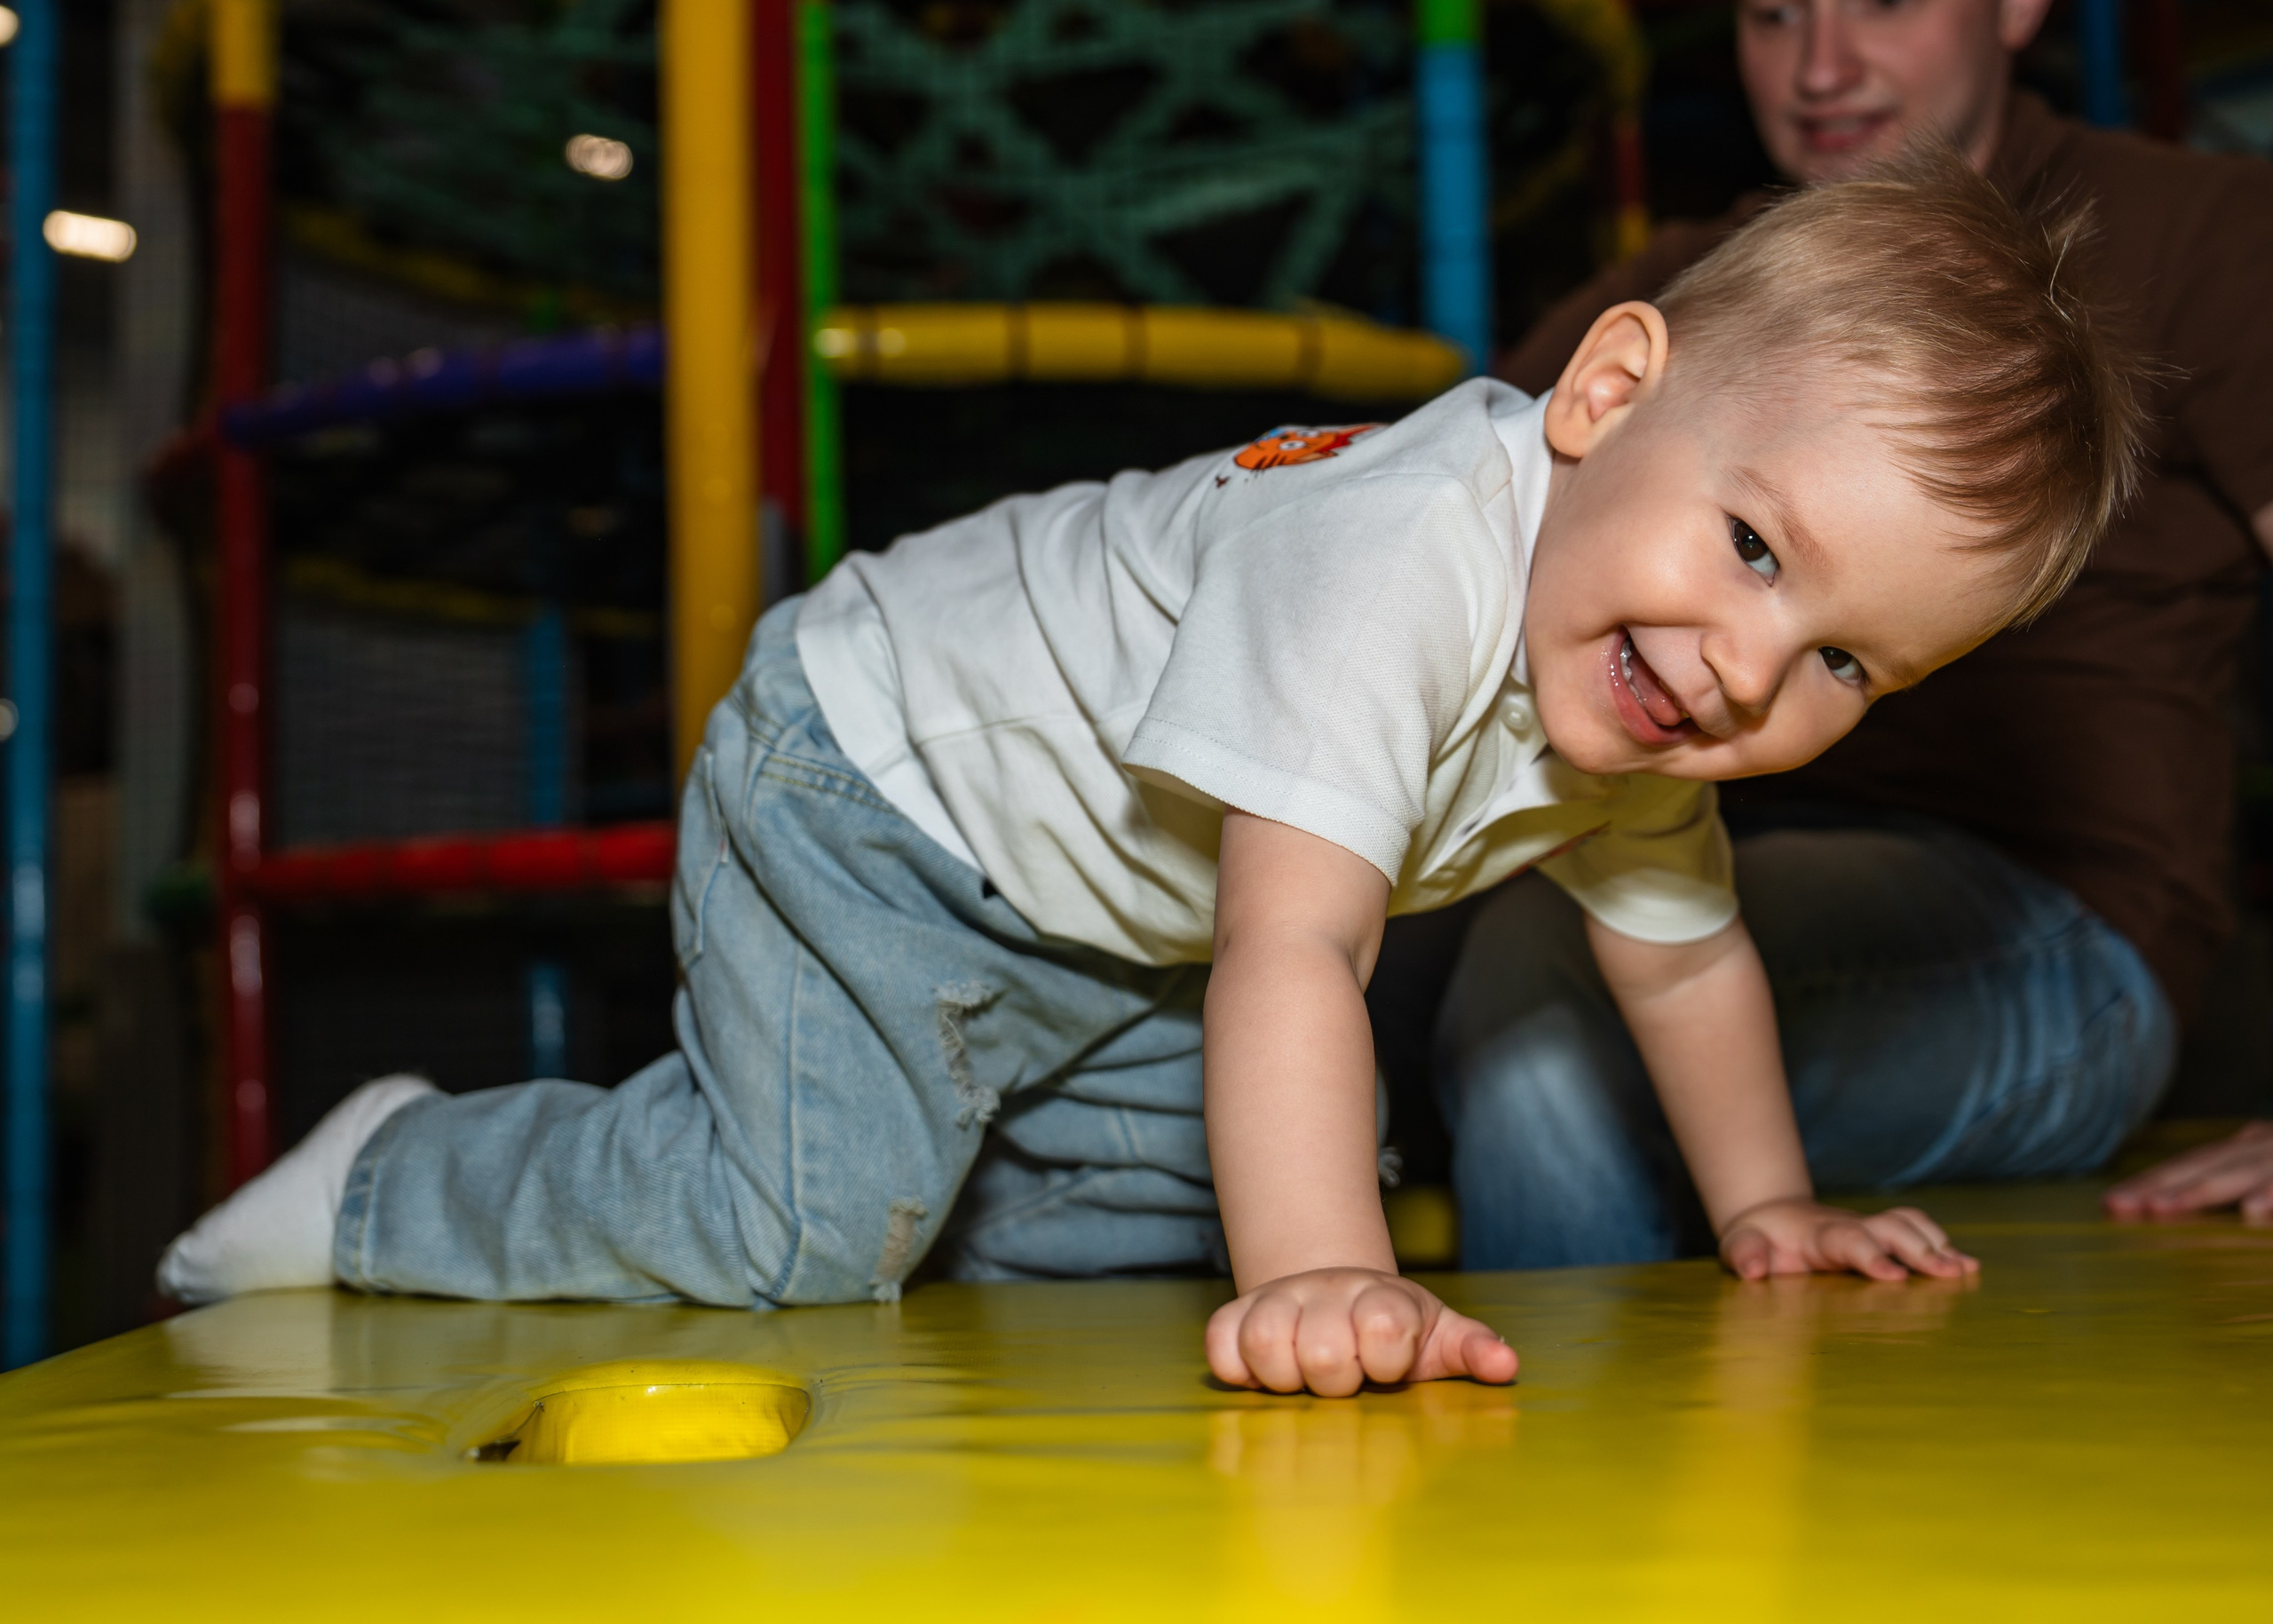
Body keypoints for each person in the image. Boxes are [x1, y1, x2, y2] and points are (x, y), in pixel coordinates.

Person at [159, 157, 2138, 1398]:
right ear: (1601, 395)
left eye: (1844, 665)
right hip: (880, 787)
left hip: (1118, 911)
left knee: (1111, 1276)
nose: (1748, 677)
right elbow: (1293, 958)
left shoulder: (1639, 691)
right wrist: (1331, 1281)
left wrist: (1770, 1209)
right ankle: (387, 1184)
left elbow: (1686, 959)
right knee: (800, 1230)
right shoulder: (1390, 563)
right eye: (1757, 553)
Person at [1442, 0, 2273, 1271]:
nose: (1821, 69)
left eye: (1883, 2)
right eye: (1773, 15)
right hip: (1674, 851)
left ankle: (1572, 1455)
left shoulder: (2201, 234)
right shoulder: (1698, 290)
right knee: (1291, 941)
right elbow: (1405, 549)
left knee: (1549, 986)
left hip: (2045, 926)